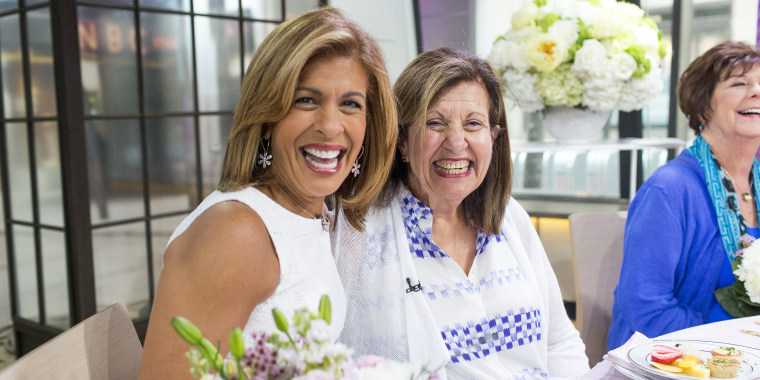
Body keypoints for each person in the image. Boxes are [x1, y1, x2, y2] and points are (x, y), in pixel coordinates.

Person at [137, 7, 397, 378]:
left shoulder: (314, 212)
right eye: (306, 100)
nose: (330, 126)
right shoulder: (237, 232)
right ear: (266, 119)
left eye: (350, 104)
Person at [331, 47, 589, 379]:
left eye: (473, 124)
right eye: (435, 123)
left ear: (493, 138)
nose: (456, 142)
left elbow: (560, 343)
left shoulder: (512, 218)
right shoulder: (356, 230)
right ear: (402, 142)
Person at [608, 41, 760, 349]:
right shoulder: (669, 190)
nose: (756, 91)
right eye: (739, 83)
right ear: (703, 104)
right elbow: (646, 308)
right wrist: (731, 341)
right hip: (676, 357)